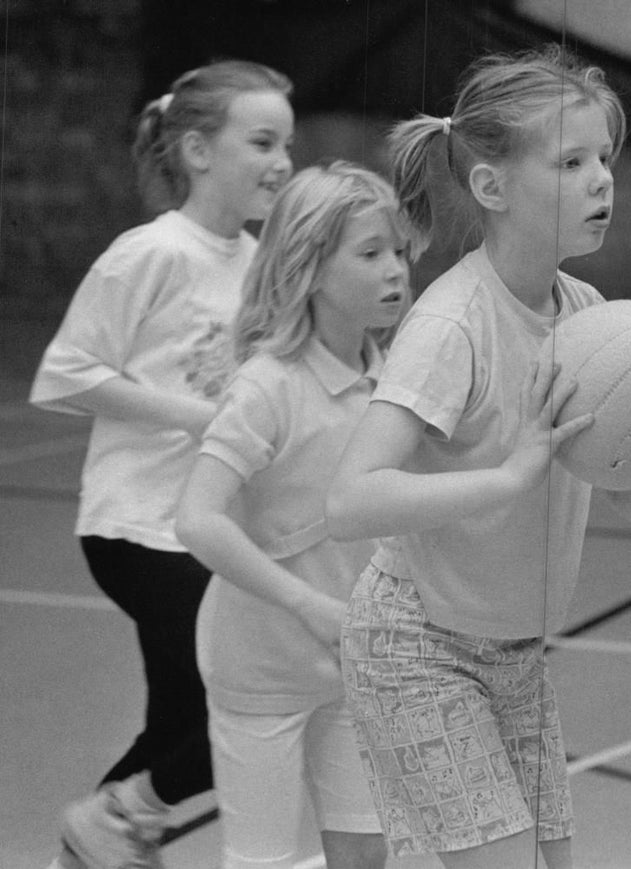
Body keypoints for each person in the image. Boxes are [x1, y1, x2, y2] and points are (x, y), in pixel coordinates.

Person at [325, 46, 631, 869]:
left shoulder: (588, 315)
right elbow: (349, 499)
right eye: (571, 162)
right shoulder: (454, 325)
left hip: (517, 653)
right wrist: (508, 474)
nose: (603, 179)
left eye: (605, 159)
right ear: (493, 188)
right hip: (418, 646)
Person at [30, 59, 295, 869]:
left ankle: (86, 849)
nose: (282, 161)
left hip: (207, 530)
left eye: (288, 141)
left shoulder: (261, 261)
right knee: (240, 698)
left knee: (177, 718)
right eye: (262, 141)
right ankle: (117, 821)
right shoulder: (147, 254)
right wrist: (201, 417)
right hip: (137, 527)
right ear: (196, 151)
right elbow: (65, 375)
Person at [174, 160, 410, 869]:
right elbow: (198, 519)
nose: (396, 269)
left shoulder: (392, 377)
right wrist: (306, 601)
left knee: (367, 851)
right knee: (262, 861)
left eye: (399, 250)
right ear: (309, 268)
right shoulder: (268, 386)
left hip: (353, 660)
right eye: (370, 253)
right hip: (261, 665)